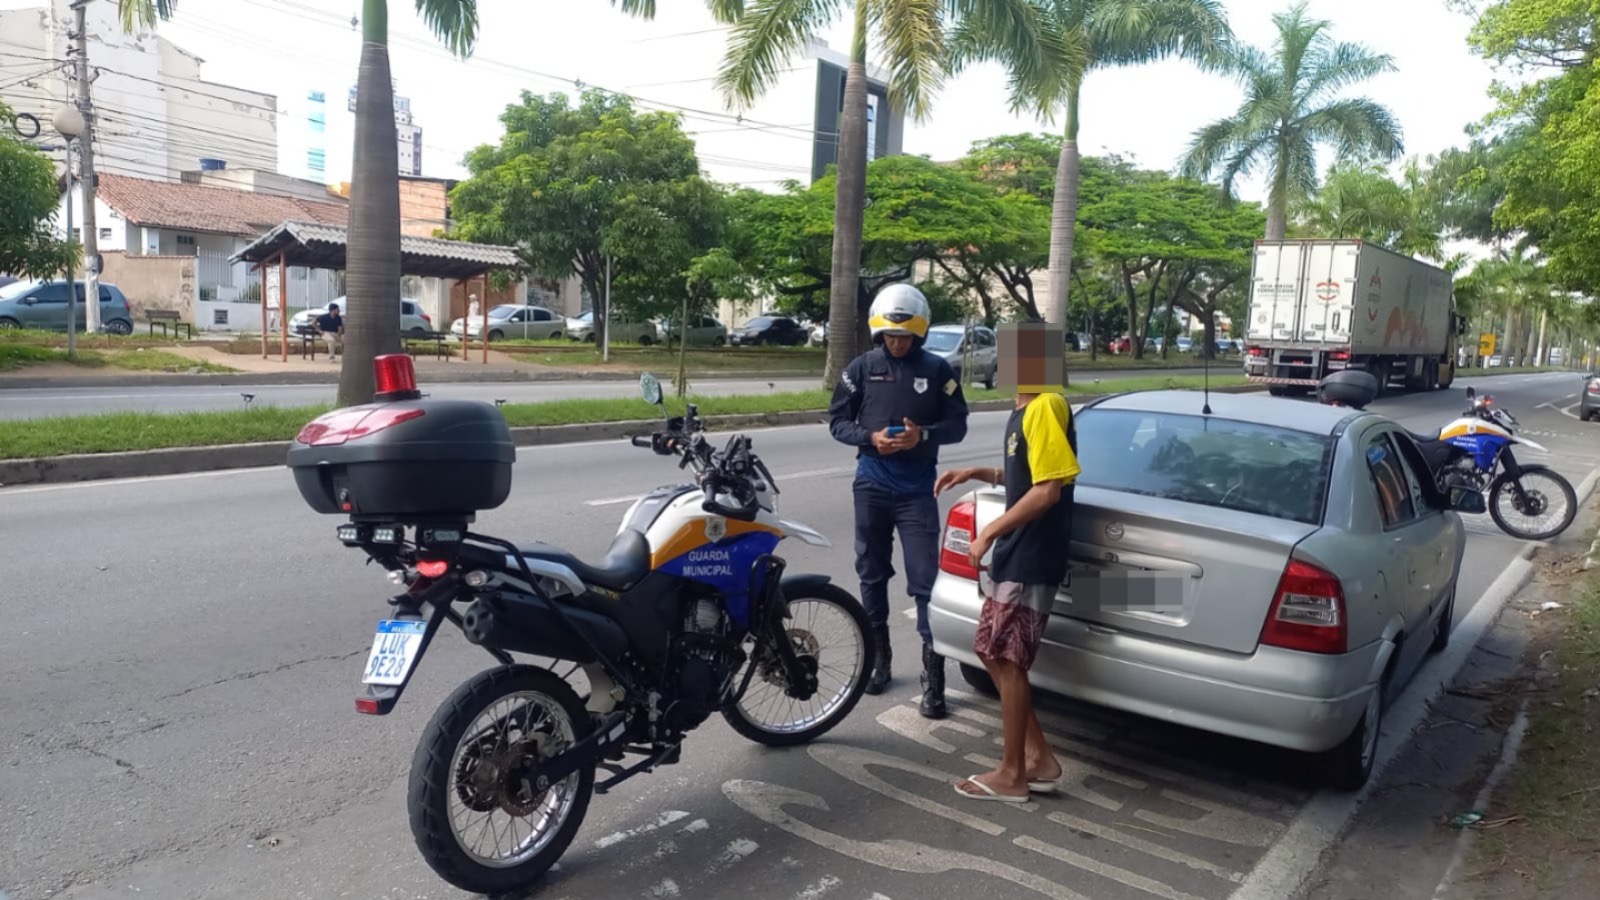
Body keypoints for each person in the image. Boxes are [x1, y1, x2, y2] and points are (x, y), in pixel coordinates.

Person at [934, 319, 1076, 802]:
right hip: (1019, 551)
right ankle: (1038, 758)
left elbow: (1047, 490)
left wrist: (989, 532)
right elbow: (1029, 472)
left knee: (1008, 657)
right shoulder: (1025, 409)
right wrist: (981, 472)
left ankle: (1013, 774)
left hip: (1032, 552)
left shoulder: (1046, 405)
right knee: (991, 650)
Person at [828, 284, 969, 718]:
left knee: (925, 581)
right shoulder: (861, 368)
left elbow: (958, 425)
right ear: (879, 332)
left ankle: (933, 680)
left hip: (916, 491)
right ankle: (879, 660)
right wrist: (869, 437)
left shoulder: (939, 370)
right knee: (871, 574)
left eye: (905, 336)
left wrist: (921, 435)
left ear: (919, 333)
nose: (897, 342)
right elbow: (837, 421)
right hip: (871, 484)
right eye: (891, 335)